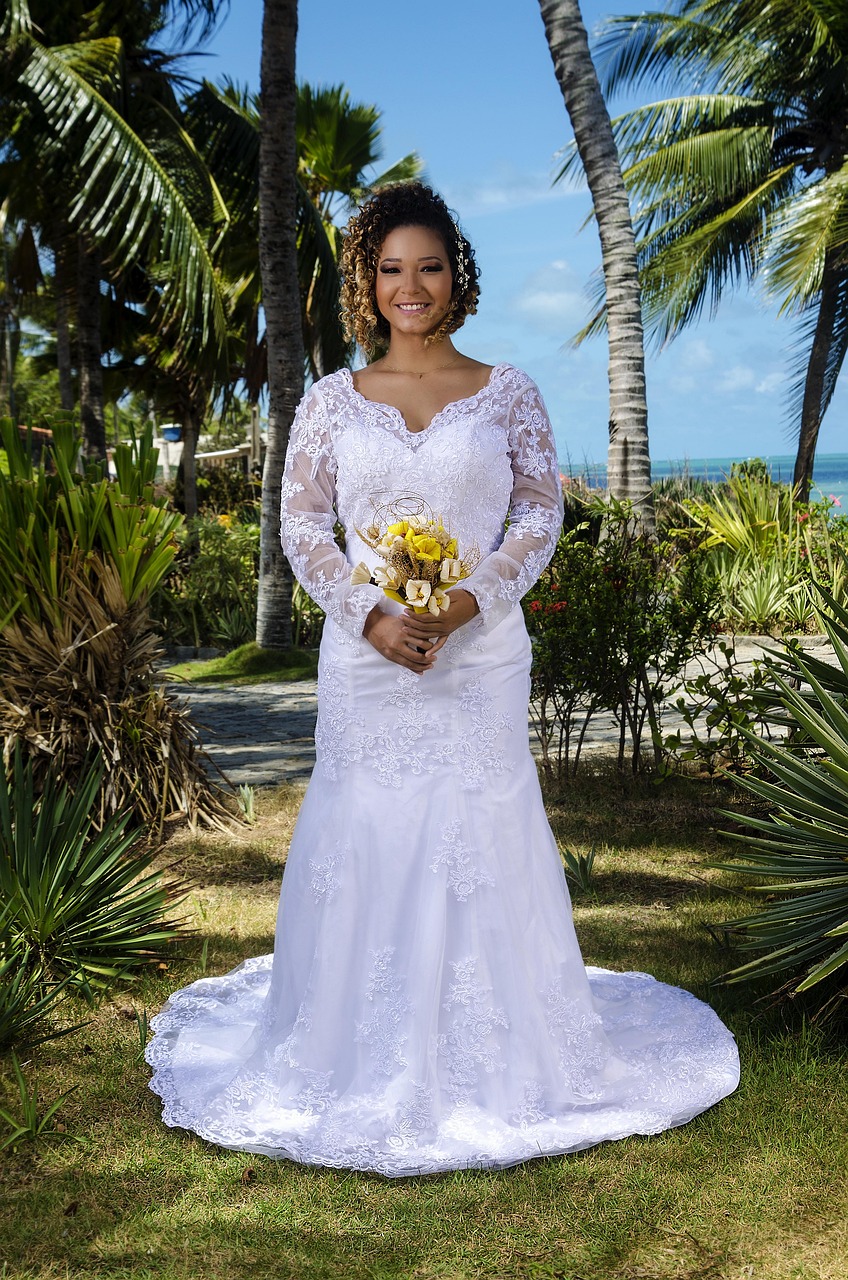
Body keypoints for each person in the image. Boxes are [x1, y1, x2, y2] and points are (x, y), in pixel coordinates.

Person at [146, 182, 739, 1176]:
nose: (408, 286)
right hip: (365, 658)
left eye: (427, 266)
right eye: (389, 269)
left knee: (479, 827)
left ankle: (504, 1050)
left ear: (454, 276)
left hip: (481, 652)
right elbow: (300, 526)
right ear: (365, 284)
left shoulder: (506, 390)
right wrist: (370, 616)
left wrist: (467, 603)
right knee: (366, 823)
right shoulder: (331, 401)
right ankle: (346, 1048)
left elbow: (537, 517)